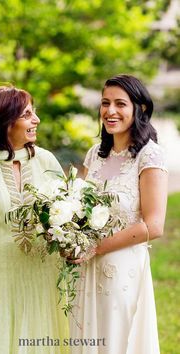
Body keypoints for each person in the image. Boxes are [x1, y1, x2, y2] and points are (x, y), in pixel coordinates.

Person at [0, 85, 69, 354]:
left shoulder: (47, 161)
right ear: (6, 122)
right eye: (28, 114)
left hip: (43, 275)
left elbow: (67, 214)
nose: (36, 120)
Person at [69, 74, 168, 354]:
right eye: (105, 103)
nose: (110, 111)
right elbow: (79, 207)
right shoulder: (95, 155)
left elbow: (154, 226)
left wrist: (96, 248)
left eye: (120, 104)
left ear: (140, 109)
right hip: (86, 269)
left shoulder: (150, 156)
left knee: (117, 341)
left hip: (122, 270)